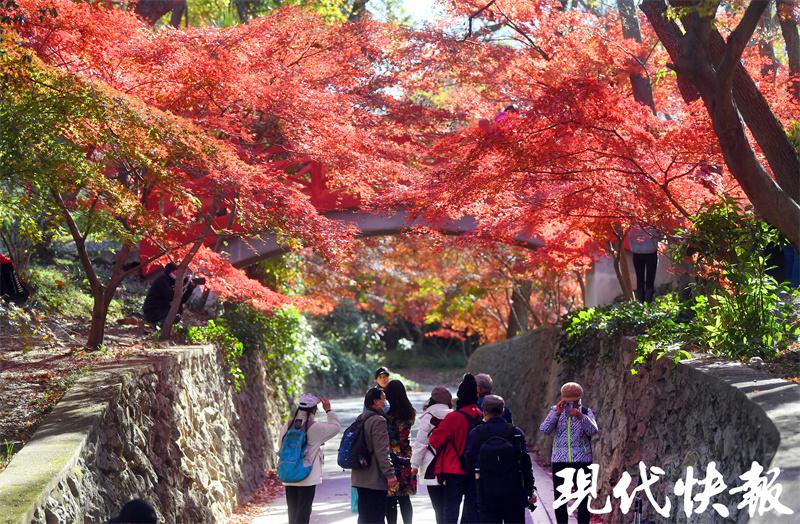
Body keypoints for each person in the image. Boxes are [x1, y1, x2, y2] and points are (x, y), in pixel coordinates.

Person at [464, 395, 535, 523]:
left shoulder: (477, 433)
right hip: (513, 491)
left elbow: (469, 462)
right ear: (502, 411)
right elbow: (526, 464)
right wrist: (530, 490)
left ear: (484, 411)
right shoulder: (515, 432)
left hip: (486, 491)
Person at [539, 382, 598, 524]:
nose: (570, 404)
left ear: (579, 399)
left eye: (574, 401)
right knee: (560, 500)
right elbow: (544, 429)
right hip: (560, 461)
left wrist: (580, 416)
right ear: (562, 399)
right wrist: (556, 413)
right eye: (567, 401)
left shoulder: (585, 412)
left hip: (582, 461)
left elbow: (593, 431)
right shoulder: (556, 411)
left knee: (583, 500)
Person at [279, 393, 341, 524]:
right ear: (314, 410)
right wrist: (329, 410)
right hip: (307, 476)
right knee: (304, 511)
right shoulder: (315, 427)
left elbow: (282, 447)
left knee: (293, 511)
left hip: (289, 473)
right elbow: (336, 427)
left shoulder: (287, 425)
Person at [428, 374, 482, 524]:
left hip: (454, 470)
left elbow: (434, 441)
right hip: (475, 470)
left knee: (451, 511)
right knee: (472, 511)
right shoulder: (481, 415)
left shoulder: (454, 418)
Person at [352, 387, 399, 524]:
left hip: (359, 475)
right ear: (375, 401)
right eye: (383, 399)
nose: (385, 403)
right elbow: (382, 451)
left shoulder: (361, 417)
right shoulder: (378, 421)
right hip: (374, 478)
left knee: (364, 517)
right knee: (377, 517)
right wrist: (390, 474)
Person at [411, 387, 452, 524]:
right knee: (450, 507)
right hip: (451, 465)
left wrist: (415, 465)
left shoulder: (428, 417)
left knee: (438, 507)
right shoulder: (454, 416)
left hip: (431, 467)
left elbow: (421, 443)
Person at [383, 380, 417, 524]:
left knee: (390, 497)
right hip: (405, 456)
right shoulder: (410, 412)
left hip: (389, 456)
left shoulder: (386, 414)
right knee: (404, 497)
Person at [626, 224, 661, 302]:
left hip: (637, 252)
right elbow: (659, 235)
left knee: (640, 279)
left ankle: (641, 302)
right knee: (650, 279)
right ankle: (648, 302)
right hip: (650, 252)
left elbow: (629, 236)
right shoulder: (653, 220)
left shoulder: (631, 222)